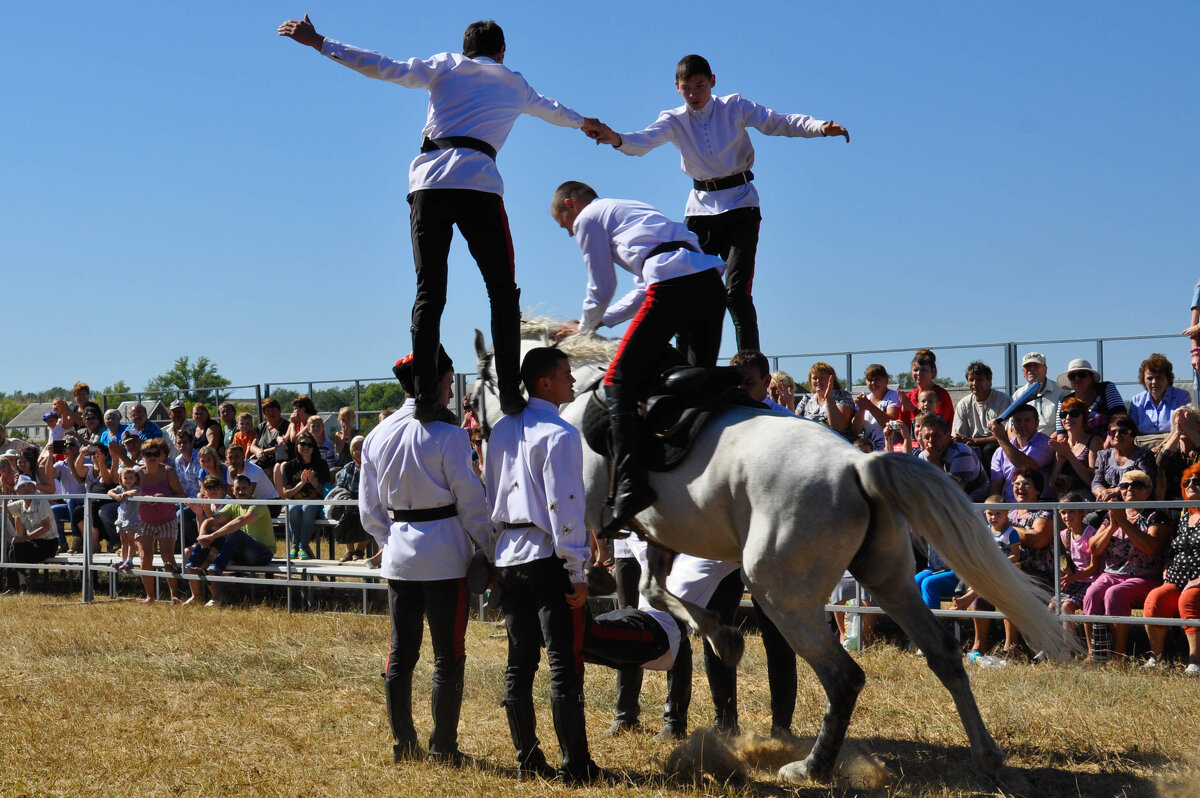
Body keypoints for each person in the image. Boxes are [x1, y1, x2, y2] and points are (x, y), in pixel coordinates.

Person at [279, 15, 605, 422]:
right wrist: (587, 123)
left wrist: (320, 42)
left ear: (465, 48)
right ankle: (508, 394)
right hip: (479, 186)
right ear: (501, 53)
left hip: (430, 184)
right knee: (502, 293)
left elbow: (384, 66)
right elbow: (555, 111)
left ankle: (428, 397)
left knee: (429, 293)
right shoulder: (513, 82)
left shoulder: (446, 64)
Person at [589, 53, 848, 352]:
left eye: (699, 86)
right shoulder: (673, 119)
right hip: (700, 211)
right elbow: (644, 140)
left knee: (735, 294)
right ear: (676, 87)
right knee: (688, 288)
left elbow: (777, 122)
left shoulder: (734, 106)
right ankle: (687, 368)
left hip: (741, 205)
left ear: (712, 82)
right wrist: (615, 138)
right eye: (686, 88)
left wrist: (818, 127)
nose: (693, 94)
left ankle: (750, 367)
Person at [550, 180, 725, 537]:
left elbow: (601, 286)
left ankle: (632, 487)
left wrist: (584, 328)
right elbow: (641, 290)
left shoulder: (588, 218)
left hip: (673, 285)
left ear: (570, 205)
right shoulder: (630, 209)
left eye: (563, 224)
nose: (570, 233)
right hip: (707, 284)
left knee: (616, 379)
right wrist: (601, 321)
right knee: (695, 385)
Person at [360, 346, 495, 765]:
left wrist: (395, 537)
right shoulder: (450, 435)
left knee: (401, 653)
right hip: (445, 557)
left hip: (399, 555)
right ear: (435, 382)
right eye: (448, 381)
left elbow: (369, 512)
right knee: (448, 655)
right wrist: (488, 548)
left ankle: (404, 745)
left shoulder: (377, 434)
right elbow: (471, 502)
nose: (452, 392)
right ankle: (443, 748)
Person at [485, 347, 605, 783]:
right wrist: (577, 570)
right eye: (566, 374)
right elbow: (566, 506)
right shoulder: (560, 433)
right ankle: (576, 766)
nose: (573, 382)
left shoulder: (499, 431)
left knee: (519, 663)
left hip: (509, 554)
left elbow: (489, 496)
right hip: (546, 556)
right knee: (563, 664)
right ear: (544, 383)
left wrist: (493, 550)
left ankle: (527, 759)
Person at [1081, 469, 1170, 661]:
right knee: (1092, 593)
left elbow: (1151, 547)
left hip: (1144, 576)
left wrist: (1123, 523)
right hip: (1111, 573)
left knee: (1115, 594)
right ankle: (1094, 653)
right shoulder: (1114, 514)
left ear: (1148, 490)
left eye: (1137, 485)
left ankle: (1118, 655)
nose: (1129, 489)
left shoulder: (1157, 513)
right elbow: (1094, 548)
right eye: (1124, 486)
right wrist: (1113, 525)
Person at [1142, 464, 1200, 674]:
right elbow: (1174, 547)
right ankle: (1156, 658)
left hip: (1197, 581)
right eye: (1187, 482)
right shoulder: (1184, 516)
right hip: (1176, 579)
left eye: (1197, 480)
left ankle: (1195, 660)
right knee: (1154, 599)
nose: (1191, 484)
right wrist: (1167, 566)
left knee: (1189, 600)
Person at [186, 474, 277, 606]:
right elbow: (211, 521)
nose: (241, 492)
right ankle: (192, 567)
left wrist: (212, 537)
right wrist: (203, 536)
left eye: (244, 488)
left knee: (234, 533)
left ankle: (215, 569)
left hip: (262, 554)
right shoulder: (233, 505)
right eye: (238, 489)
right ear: (232, 491)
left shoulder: (258, 505)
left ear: (251, 488)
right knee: (212, 536)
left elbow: (240, 521)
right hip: (241, 553)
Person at [954, 495, 1022, 657]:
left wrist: (1000, 562)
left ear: (1007, 513)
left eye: (998, 514)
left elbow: (1016, 556)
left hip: (1009, 572)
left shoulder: (1011, 533)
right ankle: (979, 645)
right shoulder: (985, 531)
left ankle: (965, 600)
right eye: (990, 513)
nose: (993, 517)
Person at [134, 440, 185, 604]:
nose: (152, 457)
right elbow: (129, 498)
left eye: (156, 453)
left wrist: (166, 498)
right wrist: (144, 500)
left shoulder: (169, 472)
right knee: (145, 556)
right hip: (143, 521)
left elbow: (181, 496)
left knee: (167, 557)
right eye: (148, 454)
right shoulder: (138, 474)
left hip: (166, 519)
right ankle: (149, 596)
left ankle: (174, 595)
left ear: (161, 455)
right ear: (143, 456)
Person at [1054, 492, 1100, 657]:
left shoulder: (1091, 533)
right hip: (1075, 580)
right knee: (1052, 606)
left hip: (1090, 581)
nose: (1067, 516)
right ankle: (1051, 646)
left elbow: (1095, 567)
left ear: (1081, 512)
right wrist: (1066, 571)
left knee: (1066, 607)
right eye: (1063, 512)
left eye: (1071, 511)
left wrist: (1073, 577)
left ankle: (1069, 648)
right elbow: (1066, 558)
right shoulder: (1064, 534)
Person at [275, 432, 330, 560]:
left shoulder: (321, 464)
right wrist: (302, 483)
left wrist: (313, 481)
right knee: (293, 509)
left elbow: (325, 493)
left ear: (314, 447)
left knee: (307, 508)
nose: (306, 447)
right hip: (295, 501)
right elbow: (286, 493)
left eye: (309, 445)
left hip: (315, 501)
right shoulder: (289, 466)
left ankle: (302, 546)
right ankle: (295, 545)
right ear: (297, 446)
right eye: (303, 444)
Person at [987, 404, 1054, 501]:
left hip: (1038, 508)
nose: (1022, 425)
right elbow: (995, 487)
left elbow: (1026, 466)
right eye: (1018, 420)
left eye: (1027, 420)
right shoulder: (1000, 451)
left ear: (1037, 423)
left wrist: (1001, 438)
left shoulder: (1046, 443)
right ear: (1013, 423)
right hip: (1010, 511)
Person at [918, 413, 990, 501]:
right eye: (926, 437)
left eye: (936, 436)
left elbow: (952, 490)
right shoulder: (922, 456)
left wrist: (935, 461)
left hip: (973, 505)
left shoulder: (962, 453)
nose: (931, 441)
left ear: (948, 436)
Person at [952, 361, 1012, 465]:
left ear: (989, 381)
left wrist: (975, 441)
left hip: (996, 444)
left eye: (979, 380)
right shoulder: (963, 404)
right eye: (971, 380)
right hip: (972, 444)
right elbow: (958, 435)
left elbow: (1005, 434)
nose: (975, 384)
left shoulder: (1003, 400)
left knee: (989, 450)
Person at [4, 476, 56, 593]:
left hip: (48, 544)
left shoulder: (41, 500)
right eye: (22, 486)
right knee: (13, 548)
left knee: (16, 549)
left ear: (34, 488)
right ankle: (18, 585)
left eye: (29, 486)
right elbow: (3, 509)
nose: (26, 488)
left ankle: (17, 586)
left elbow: (46, 526)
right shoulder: (20, 503)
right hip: (34, 542)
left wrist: (24, 538)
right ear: (17, 491)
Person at [1128, 353, 1189, 446]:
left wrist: (1162, 447)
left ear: (1168, 379)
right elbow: (1131, 432)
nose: (1154, 382)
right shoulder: (1136, 400)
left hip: (1173, 445)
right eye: (1150, 378)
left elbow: (1182, 428)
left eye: (1159, 378)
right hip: (1143, 448)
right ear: (1143, 380)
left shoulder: (1181, 396)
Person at [1048, 396, 1102, 500]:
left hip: (1085, 501)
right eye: (1063, 414)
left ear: (1084, 417)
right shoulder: (1061, 444)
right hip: (1064, 502)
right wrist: (1059, 462)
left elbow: (1092, 481)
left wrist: (1069, 455)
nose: (1068, 418)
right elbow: (1052, 484)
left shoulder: (1094, 441)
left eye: (1074, 414)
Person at [1092, 416, 1156, 502]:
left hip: (1135, 503)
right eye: (1112, 432)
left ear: (1133, 435)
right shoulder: (1103, 455)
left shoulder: (1144, 456)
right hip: (1107, 504)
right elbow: (1096, 482)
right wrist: (1105, 494)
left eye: (1123, 432)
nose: (1117, 435)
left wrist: (1115, 491)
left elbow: (1145, 482)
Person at [1055, 358, 1126, 436]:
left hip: (1110, 441)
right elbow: (1061, 433)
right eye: (1072, 376)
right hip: (1079, 446)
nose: (1077, 378)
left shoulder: (1106, 388)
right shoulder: (1064, 402)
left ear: (1091, 377)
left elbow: (1120, 417)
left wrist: (1110, 438)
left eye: (1082, 375)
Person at [333, 436, 371, 562]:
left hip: (368, 501)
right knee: (346, 515)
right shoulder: (348, 467)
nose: (358, 451)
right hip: (350, 501)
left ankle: (360, 550)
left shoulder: (372, 466)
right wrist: (348, 498)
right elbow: (339, 488)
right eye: (355, 449)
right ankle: (349, 550)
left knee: (371, 517)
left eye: (361, 448)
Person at [1011, 352, 1064, 437]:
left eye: (1036, 365)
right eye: (1028, 366)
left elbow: (1065, 426)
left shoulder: (1061, 391)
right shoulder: (1017, 395)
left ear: (1045, 369)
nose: (1032, 369)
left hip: (1052, 442)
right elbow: (1011, 428)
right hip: (1025, 445)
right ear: (1023, 372)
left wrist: (1044, 444)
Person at [794, 362, 854, 436]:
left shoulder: (842, 396)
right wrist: (789, 402)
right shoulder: (807, 398)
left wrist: (828, 399)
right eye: (815, 378)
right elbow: (795, 423)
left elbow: (839, 427)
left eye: (822, 378)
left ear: (831, 379)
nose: (818, 381)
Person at [899, 349, 954, 427]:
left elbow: (936, 425)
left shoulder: (941, 395)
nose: (918, 373)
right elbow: (904, 427)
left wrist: (913, 409)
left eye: (923, 370)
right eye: (915, 370)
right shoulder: (909, 397)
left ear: (933, 371)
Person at [853, 364, 901, 452]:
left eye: (877, 379)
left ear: (886, 379)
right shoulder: (864, 399)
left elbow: (892, 424)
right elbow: (856, 430)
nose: (873, 383)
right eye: (870, 380)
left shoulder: (895, 396)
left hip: (890, 451)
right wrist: (861, 410)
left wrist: (870, 407)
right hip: (870, 452)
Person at [107, 468, 141, 572]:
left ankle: (129, 561)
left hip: (131, 519)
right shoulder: (120, 488)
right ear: (121, 479)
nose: (128, 480)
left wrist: (125, 494)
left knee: (131, 541)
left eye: (131, 478)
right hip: (122, 519)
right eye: (125, 478)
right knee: (123, 540)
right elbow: (110, 491)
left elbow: (135, 492)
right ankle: (123, 559)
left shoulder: (136, 488)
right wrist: (116, 496)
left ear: (136, 479)